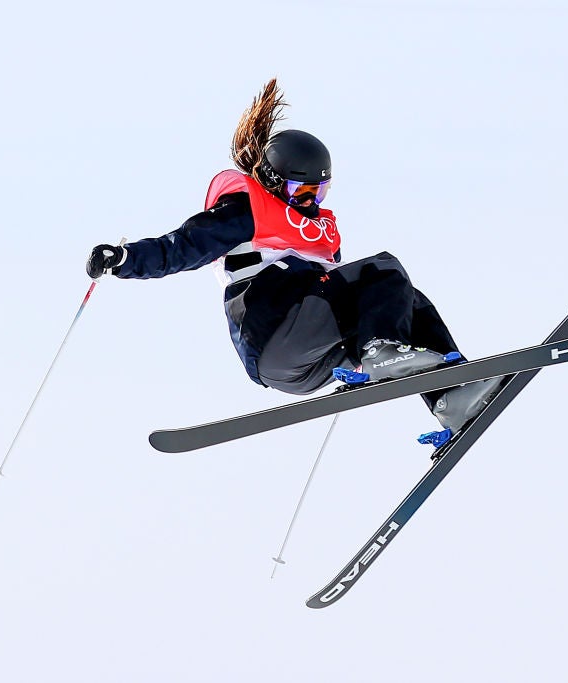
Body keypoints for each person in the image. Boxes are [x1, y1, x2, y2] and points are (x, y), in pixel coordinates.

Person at [86, 79, 503, 447]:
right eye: (299, 191)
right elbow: (180, 247)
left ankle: (453, 394)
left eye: (317, 194)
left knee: (409, 300)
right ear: (270, 180)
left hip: (312, 360)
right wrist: (123, 259)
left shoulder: (316, 231)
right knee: (384, 269)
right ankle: (382, 352)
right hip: (274, 330)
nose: (308, 203)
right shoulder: (246, 209)